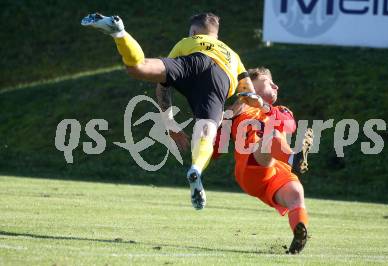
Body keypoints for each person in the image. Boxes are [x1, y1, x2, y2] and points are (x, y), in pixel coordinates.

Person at [81, 12, 263, 210]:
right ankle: (196, 169)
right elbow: (248, 95)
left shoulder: (187, 42)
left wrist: (169, 123)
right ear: (216, 36)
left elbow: (163, 85)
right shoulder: (233, 54)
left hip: (193, 62)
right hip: (220, 77)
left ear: (194, 32)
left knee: (139, 67)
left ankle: (120, 33)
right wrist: (251, 104)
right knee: (207, 131)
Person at [212, 67, 313, 254]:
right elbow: (215, 150)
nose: (276, 86)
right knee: (270, 137)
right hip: (250, 169)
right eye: (268, 81)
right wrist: (218, 122)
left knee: (296, 193)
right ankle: (295, 157)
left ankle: (298, 237)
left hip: (277, 170)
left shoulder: (280, 110)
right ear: (250, 83)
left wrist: (262, 106)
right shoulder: (235, 112)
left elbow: (290, 125)